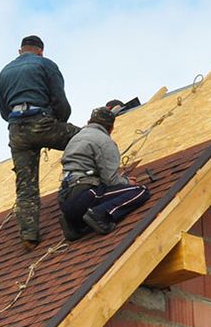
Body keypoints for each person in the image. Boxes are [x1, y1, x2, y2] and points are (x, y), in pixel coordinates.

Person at [0, 35, 80, 248]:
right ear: (41, 51)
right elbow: (60, 101)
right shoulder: (45, 64)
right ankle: (92, 185)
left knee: (26, 186)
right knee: (85, 138)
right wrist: (58, 123)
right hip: (41, 122)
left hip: (17, 131)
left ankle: (29, 235)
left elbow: (3, 110)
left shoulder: (5, 71)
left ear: (20, 51)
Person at [58, 102, 151, 240]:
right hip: (85, 194)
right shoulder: (105, 142)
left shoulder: (75, 139)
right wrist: (127, 182)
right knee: (140, 191)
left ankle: (74, 224)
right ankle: (100, 214)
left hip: (65, 200)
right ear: (111, 128)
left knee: (97, 193)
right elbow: (111, 181)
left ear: (89, 121)